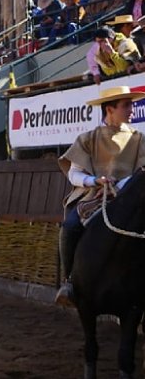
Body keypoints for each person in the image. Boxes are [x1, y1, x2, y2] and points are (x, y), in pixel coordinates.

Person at [55, 86, 145, 307]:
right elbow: (74, 174)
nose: (131, 109)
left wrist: (122, 184)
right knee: (70, 226)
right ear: (110, 109)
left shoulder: (139, 139)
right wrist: (94, 181)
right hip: (93, 197)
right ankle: (69, 283)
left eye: (131, 104)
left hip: (130, 198)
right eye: (126, 105)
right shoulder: (87, 138)